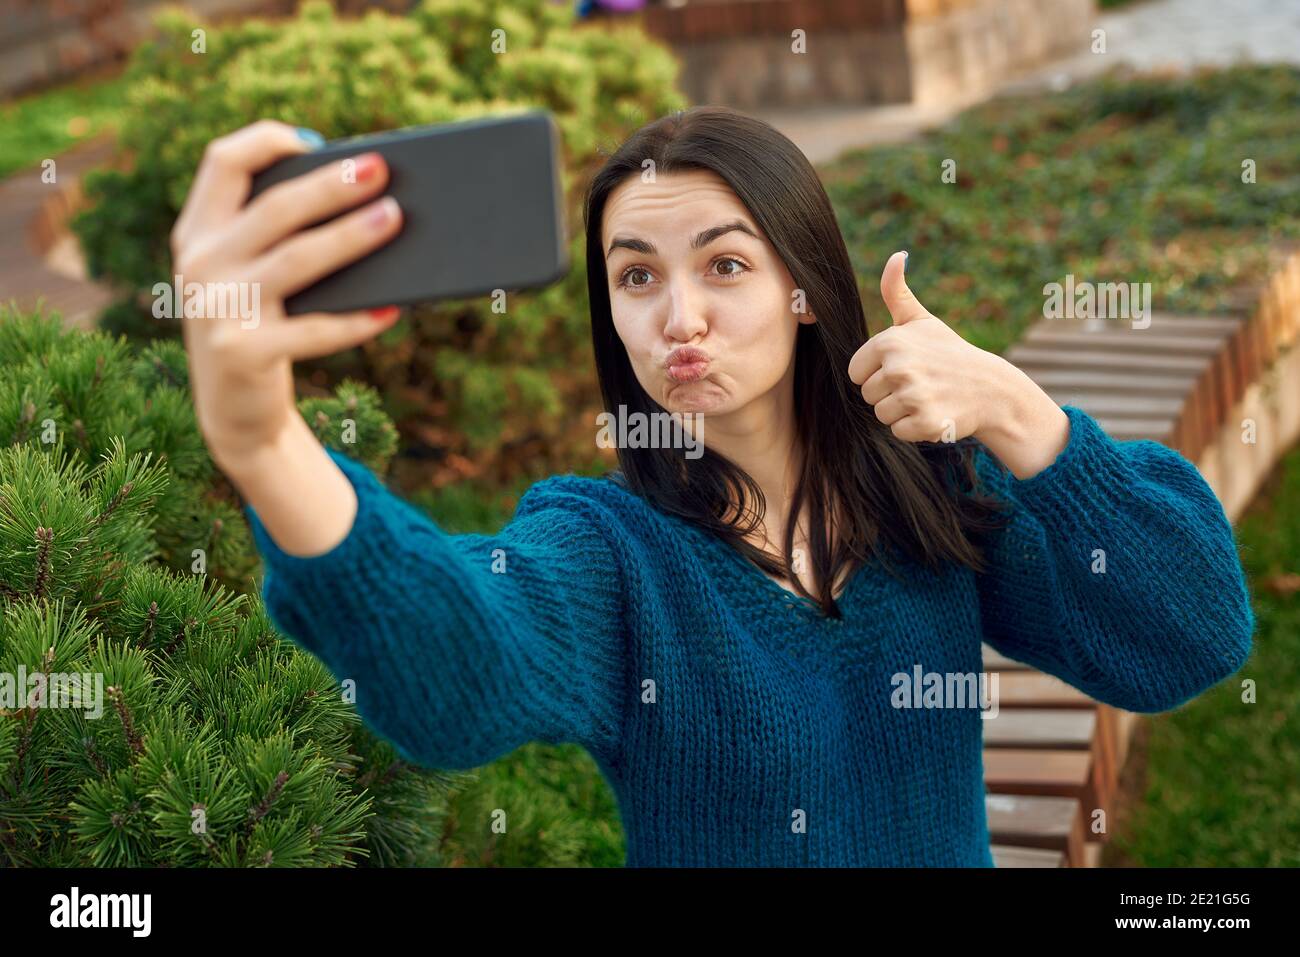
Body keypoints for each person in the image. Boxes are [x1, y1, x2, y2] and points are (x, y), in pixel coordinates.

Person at [172, 107, 1255, 866]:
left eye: (723, 264)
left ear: (800, 285)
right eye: (636, 275)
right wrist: (263, 439)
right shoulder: (607, 551)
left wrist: (1024, 416)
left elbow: (1192, 635)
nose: (676, 315)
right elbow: (455, 671)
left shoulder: (928, 488)